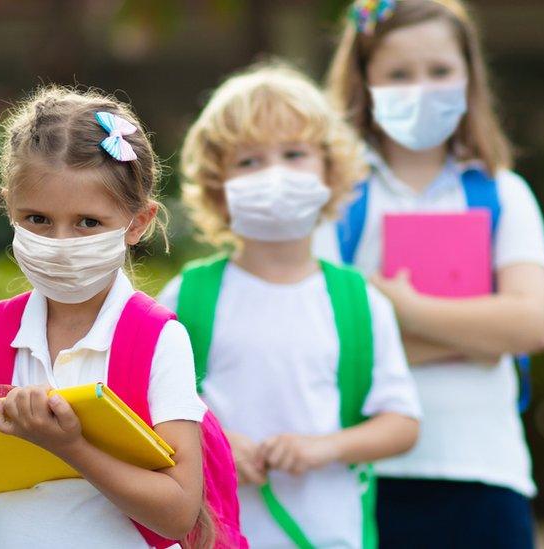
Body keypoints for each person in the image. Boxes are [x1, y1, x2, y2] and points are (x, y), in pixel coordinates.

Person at [0, 87, 216, 548]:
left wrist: (69, 446)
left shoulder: (155, 340)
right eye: (38, 219)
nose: (61, 242)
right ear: (10, 208)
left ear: (137, 222)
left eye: (87, 223)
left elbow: (178, 513)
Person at [318, 0, 544, 546]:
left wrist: (404, 311)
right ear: (365, 80)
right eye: (400, 74)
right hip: (363, 472)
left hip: (486, 472)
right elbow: (328, 337)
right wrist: (477, 339)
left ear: (470, 78)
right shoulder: (336, 200)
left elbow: (531, 325)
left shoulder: (504, 192)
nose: (421, 87)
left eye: (440, 71)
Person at [158, 63, 421, 548]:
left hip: (331, 534)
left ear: (331, 170)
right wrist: (211, 443)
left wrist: (324, 448)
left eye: (294, 154)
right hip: (215, 535)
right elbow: (143, 407)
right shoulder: (186, 297)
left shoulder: (360, 300)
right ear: (218, 188)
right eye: (249, 161)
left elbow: (401, 423)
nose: (274, 173)